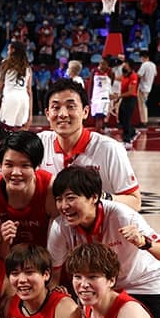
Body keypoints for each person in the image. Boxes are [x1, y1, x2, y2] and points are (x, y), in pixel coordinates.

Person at [48, 166, 160, 318]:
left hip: (143, 284)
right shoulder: (60, 226)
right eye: (59, 199)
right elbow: (53, 277)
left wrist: (143, 242)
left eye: (71, 198)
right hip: (102, 286)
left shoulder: (123, 216)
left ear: (94, 197)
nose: (64, 206)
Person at [38, 79, 142, 211]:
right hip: (55, 223)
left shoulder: (109, 149)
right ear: (47, 114)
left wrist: (100, 197)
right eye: (56, 107)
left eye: (71, 106)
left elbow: (135, 202)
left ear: (85, 112)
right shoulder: (39, 144)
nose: (63, 114)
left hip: (99, 223)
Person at [0, 130, 57, 256]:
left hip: (46, 260)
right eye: (9, 165)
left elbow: (62, 242)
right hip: (5, 260)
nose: (16, 173)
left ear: (37, 166)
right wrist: (1, 241)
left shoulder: (51, 190)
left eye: (25, 166)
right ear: (0, 165)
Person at [65, 243, 158, 318]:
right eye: (77, 277)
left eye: (93, 277)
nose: (84, 284)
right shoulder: (88, 306)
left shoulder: (132, 314)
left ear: (111, 280)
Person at [4, 243, 81, 318]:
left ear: (46, 274)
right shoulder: (10, 305)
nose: (22, 280)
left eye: (29, 272)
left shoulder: (65, 308)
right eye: (15, 273)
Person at [0, 41, 33, 130]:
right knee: (20, 131)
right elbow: (29, 91)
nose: (7, 52)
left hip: (10, 99)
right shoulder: (28, 68)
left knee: (5, 130)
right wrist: (30, 114)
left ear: (13, 50)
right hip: (24, 99)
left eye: (8, 49)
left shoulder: (5, 64)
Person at [118, 60, 139, 147]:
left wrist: (118, 96)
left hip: (130, 99)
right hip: (124, 98)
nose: (123, 67)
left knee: (126, 119)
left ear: (130, 67)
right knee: (121, 118)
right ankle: (133, 131)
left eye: (125, 66)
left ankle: (127, 140)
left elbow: (131, 92)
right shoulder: (124, 75)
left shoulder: (133, 76)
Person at [90, 59, 114, 132]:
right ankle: (99, 130)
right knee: (96, 116)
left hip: (104, 97)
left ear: (107, 65)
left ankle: (99, 131)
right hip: (95, 97)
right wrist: (89, 97)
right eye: (100, 63)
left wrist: (109, 93)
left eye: (104, 64)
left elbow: (111, 84)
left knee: (100, 116)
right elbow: (91, 85)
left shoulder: (110, 72)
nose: (101, 65)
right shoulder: (94, 71)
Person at [136, 51, 157, 126]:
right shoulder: (153, 65)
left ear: (143, 57)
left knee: (142, 105)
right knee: (144, 104)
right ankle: (144, 120)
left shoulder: (144, 64)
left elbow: (139, 75)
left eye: (141, 58)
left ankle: (143, 121)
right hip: (149, 87)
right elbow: (155, 74)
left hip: (143, 87)